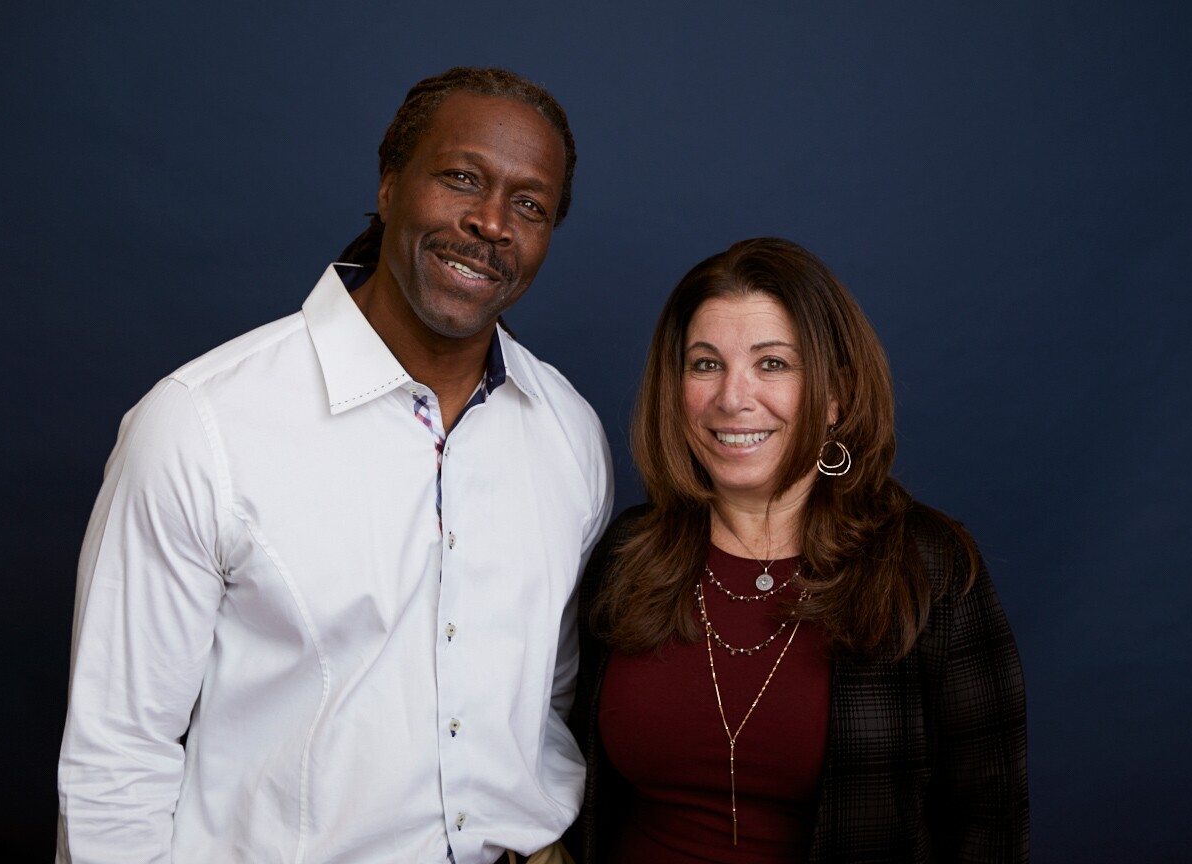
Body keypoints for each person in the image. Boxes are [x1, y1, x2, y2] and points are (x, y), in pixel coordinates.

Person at [57, 67, 612, 864]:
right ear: (389, 186)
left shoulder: (569, 433)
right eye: (462, 178)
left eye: (529, 205)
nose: (492, 223)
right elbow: (116, 756)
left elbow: (545, 702)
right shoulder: (201, 424)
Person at [566, 238, 1028, 862]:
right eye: (705, 364)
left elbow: (989, 825)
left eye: (773, 364)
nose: (733, 398)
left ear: (835, 394)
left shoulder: (927, 567)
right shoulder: (627, 555)